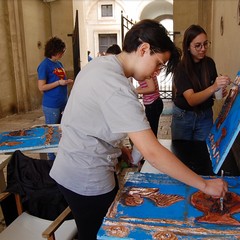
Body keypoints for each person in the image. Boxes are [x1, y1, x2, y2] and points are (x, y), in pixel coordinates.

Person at [50, 20, 227, 240]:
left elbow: (91, 118)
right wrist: (205, 185)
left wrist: (115, 148)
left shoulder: (102, 64)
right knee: (100, 234)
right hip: (86, 176)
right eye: (159, 63)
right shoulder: (116, 86)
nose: (157, 71)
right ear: (143, 49)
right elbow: (152, 152)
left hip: (72, 166)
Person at [171, 25, 230, 141]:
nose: (203, 49)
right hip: (183, 116)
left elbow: (210, 90)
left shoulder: (209, 63)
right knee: (182, 153)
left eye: (205, 44)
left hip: (205, 116)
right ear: (188, 47)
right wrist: (214, 88)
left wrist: (217, 92)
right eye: (198, 46)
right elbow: (191, 100)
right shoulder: (181, 68)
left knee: (202, 153)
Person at [37, 36, 73, 160]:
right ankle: (51, 159)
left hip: (63, 101)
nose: (63, 53)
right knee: (51, 133)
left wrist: (66, 81)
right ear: (55, 51)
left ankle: (63, 155)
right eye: (62, 51)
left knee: (64, 130)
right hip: (51, 104)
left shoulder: (59, 63)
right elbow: (41, 87)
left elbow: (59, 79)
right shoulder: (44, 65)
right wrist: (59, 83)